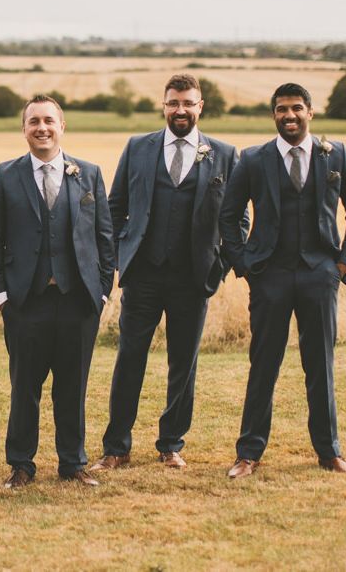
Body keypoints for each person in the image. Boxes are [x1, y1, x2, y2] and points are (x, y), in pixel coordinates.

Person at [91, 74, 245, 472]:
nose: (180, 110)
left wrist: (221, 264)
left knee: (184, 363)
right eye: (173, 102)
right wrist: (120, 256)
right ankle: (116, 446)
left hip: (194, 278)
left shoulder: (224, 154)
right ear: (164, 106)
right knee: (130, 359)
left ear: (200, 107)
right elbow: (115, 207)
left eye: (188, 103)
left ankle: (171, 443)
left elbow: (236, 217)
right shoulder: (138, 147)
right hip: (142, 274)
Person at [219, 82, 346, 479]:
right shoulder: (253, 159)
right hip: (269, 275)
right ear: (274, 115)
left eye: (297, 108)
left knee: (320, 364)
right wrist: (245, 264)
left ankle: (329, 451)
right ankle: (248, 453)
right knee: (263, 364)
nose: (290, 116)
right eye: (282, 109)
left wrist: (342, 265)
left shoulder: (334, 153)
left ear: (310, 112)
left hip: (320, 274)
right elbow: (228, 215)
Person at [0, 94, 115, 488]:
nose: (42, 128)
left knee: (72, 386)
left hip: (78, 301)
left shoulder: (87, 174)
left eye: (48, 121)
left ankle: (72, 462)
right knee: (25, 385)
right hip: (25, 302)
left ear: (62, 126)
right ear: (24, 129)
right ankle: (21, 463)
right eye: (33, 121)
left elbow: (104, 236)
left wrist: (103, 291)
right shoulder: (7, 175)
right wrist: (1, 295)